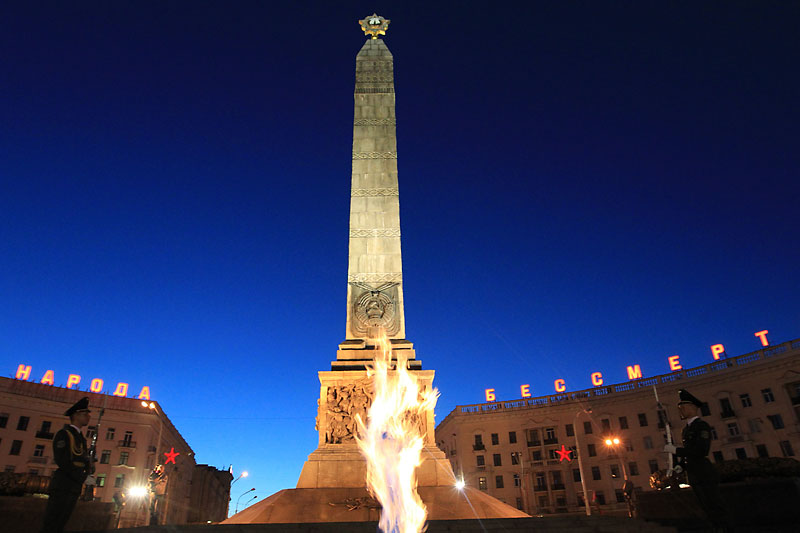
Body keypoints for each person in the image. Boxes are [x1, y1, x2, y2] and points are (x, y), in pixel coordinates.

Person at [663, 389, 729, 532]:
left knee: (714, 503)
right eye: (680, 408)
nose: (681, 410)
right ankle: (715, 528)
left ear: (693, 408)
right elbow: (689, 453)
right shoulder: (685, 430)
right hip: (693, 472)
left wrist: (675, 450)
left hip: (704, 472)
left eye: (684, 407)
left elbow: (701, 450)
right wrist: (680, 466)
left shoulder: (701, 426)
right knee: (704, 505)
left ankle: (724, 528)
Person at [40, 397, 93, 533]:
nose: (88, 417)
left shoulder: (81, 438)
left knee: (62, 522)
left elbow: (82, 459)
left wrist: (89, 466)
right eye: (85, 414)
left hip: (73, 486)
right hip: (63, 484)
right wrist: (82, 477)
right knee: (52, 522)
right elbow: (63, 461)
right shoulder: (64, 434)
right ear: (76, 415)